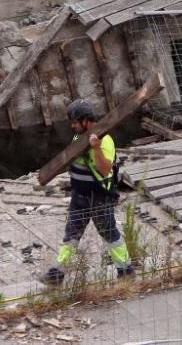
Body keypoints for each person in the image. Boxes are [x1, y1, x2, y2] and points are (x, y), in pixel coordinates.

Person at [42, 99, 133, 285]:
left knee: (110, 235)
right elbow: (70, 158)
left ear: (86, 120)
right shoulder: (77, 138)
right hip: (79, 197)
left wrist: (96, 148)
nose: (72, 125)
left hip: (99, 198)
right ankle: (56, 275)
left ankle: (126, 271)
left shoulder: (105, 140)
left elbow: (105, 169)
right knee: (71, 236)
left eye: (75, 121)